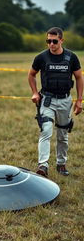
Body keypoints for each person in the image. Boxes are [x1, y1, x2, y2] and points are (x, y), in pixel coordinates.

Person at [28, 27, 83, 177]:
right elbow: (31, 75)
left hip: (65, 100)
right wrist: (34, 92)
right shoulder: (41, 57)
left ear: (61, 41)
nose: (51, 44)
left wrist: (79, 101)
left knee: (62, 134)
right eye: (48, 41)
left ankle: (61, 164)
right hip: (47, 100)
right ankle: (43, 165)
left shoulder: (71, 57)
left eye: (54, 41)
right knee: (46, 130)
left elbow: (79, 77)